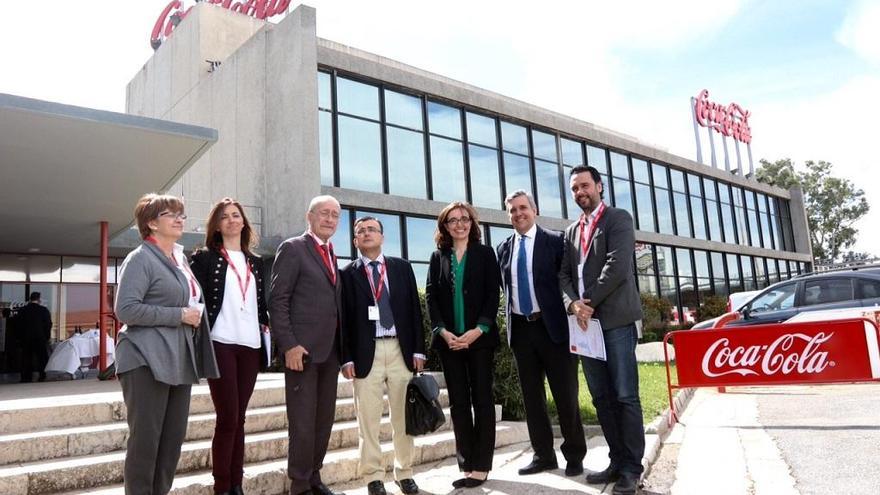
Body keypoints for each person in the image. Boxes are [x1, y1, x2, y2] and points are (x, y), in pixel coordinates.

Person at [115, 193, 219, 495]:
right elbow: (127, 310)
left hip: (178, 359)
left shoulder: (180, 259)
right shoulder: (141, 259)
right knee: (146, 441)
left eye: (181, 215)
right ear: (151, 223)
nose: (179, 220)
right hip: (145, 359)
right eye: (170, 215)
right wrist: (179, 315)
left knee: (171, 441)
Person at [558, 166, 645, 495]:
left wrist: (587, 302)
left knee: (625, 395)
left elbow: (617, 264)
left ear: (599, 186)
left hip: (615, 321)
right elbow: (563, 275)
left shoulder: (618, 219)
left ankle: (631, 469)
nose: (580, 192)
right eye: (574, 189)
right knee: (602, 398)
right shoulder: (570, 232)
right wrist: (573, 306)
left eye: (584, 185)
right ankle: (616, 459)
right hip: (585, 326)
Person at [496, 190, 586, 477]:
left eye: (523, 207)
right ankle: (543, 456)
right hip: (522, 330)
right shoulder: (503, 248)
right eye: (512, 210)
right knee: (532, 399)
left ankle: (574, 455)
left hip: (555, 330)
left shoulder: (556, 241)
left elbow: (568, 281)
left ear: (534, 209)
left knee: (566, 396)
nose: (518, 213)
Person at [339, 216, 426, 495]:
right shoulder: (346, 274)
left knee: (404, 418)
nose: (366, 234)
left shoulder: (402, 268)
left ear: (382, 236)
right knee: (369, 421)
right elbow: (343, 319)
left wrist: (418, 350)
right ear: (355, 241)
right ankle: (373, 477)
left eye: (371, 229)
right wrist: (346, 357)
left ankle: (405, 472)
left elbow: (414, 310)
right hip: (367, 355)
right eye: (360, 231)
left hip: (400, 350)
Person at [191, 197, 270, 495]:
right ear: (217, 225)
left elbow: (260, 303)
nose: (232, 220)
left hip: (250, 345)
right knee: (227, 418)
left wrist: (265, 323)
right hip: (220, 343)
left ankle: (237, 484)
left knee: (240, 418)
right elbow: (194, 299)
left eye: (236, 215)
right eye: (225, 216)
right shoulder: (204, 258)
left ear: (244, 222)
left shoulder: (256, 262)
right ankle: (222, 487)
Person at [269, 195, 344, 495]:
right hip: (302, 352)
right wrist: (289, 345)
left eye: (335, 215)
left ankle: (314, 476)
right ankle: (299, 484)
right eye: (324, 213)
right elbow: (278, 299)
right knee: (302, 421)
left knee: (323, 419)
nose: (329, 219)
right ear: (309, 216)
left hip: (331, 352)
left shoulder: (331, 252)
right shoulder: (293, 248)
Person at [425, 201, 501, 489]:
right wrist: (442, 332)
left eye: (464, 218)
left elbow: (492, 295)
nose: (460, 224)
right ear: (445, 226)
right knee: (458, 404)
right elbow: (432, 297)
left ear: (473, 222)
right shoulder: (437, 256)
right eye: (453, 220)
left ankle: (482, 466)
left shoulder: (485, 254)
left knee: (482, 401)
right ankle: (466, 464)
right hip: (450, 342)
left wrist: (479, 330)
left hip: (479, 340)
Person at [16, 291, 52, 382]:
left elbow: (18, 325)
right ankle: (42, 375)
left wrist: (19, 338)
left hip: (26, 338)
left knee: (26, 358)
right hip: (40, 338)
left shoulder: (22, 310)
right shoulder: (43, 310)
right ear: (39, 299)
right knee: (41, 358)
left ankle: (26, 377)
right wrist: (46, 337)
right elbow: (48, 324)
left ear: (30, 299)